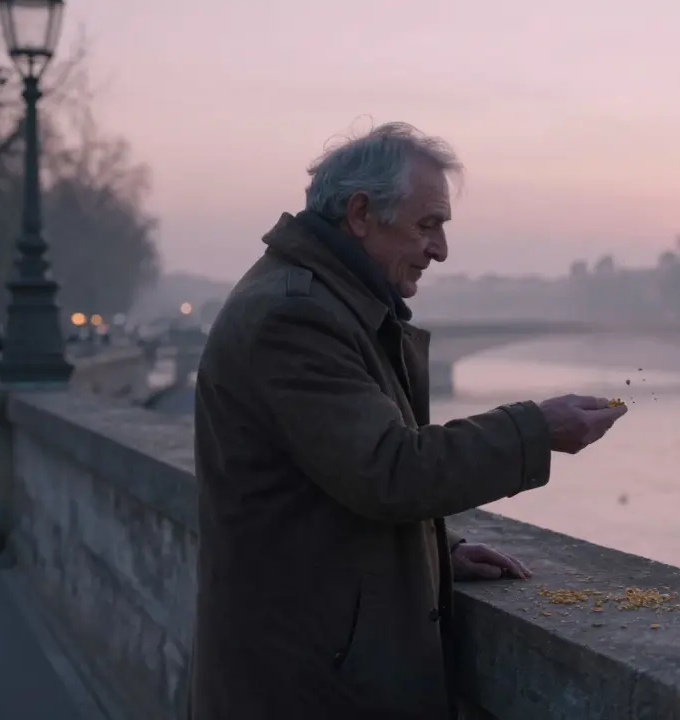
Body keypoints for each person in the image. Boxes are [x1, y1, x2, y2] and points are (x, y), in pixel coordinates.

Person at [189, 122, 628, 719]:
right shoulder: (295, 319)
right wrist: (534, 429)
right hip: (306, 687)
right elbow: (387, 469)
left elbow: (320, 485)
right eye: (428, 225)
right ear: (362, 213)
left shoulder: (322, 301)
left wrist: (432, 553)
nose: (441, 250)